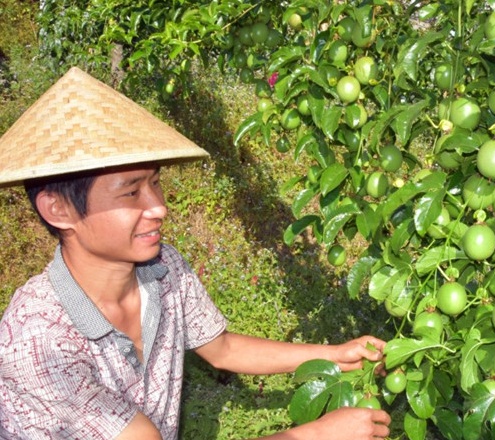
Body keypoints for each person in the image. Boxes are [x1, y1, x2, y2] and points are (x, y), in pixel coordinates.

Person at [0, 67, 391, 439]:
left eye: (155, 184)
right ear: (58, 209)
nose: (159, 207)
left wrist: (336, 354)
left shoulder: (163, 267)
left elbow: (222, 349)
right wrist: (315, 435)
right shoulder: (37, 340)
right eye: (131, 192)